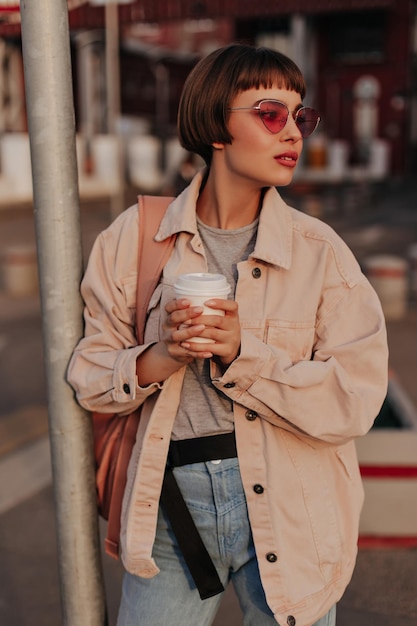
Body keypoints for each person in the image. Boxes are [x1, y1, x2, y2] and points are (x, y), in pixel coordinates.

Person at [68, 44, 388, 626]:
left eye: (300, 116)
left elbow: (355, 399)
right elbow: (89, 376)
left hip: (293, 509)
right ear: (218, 125)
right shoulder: (134, 239)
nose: (293, 131)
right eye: (271, 113)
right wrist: (161, 354)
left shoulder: (322, 255)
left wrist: (244, 355)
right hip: (171, 512)